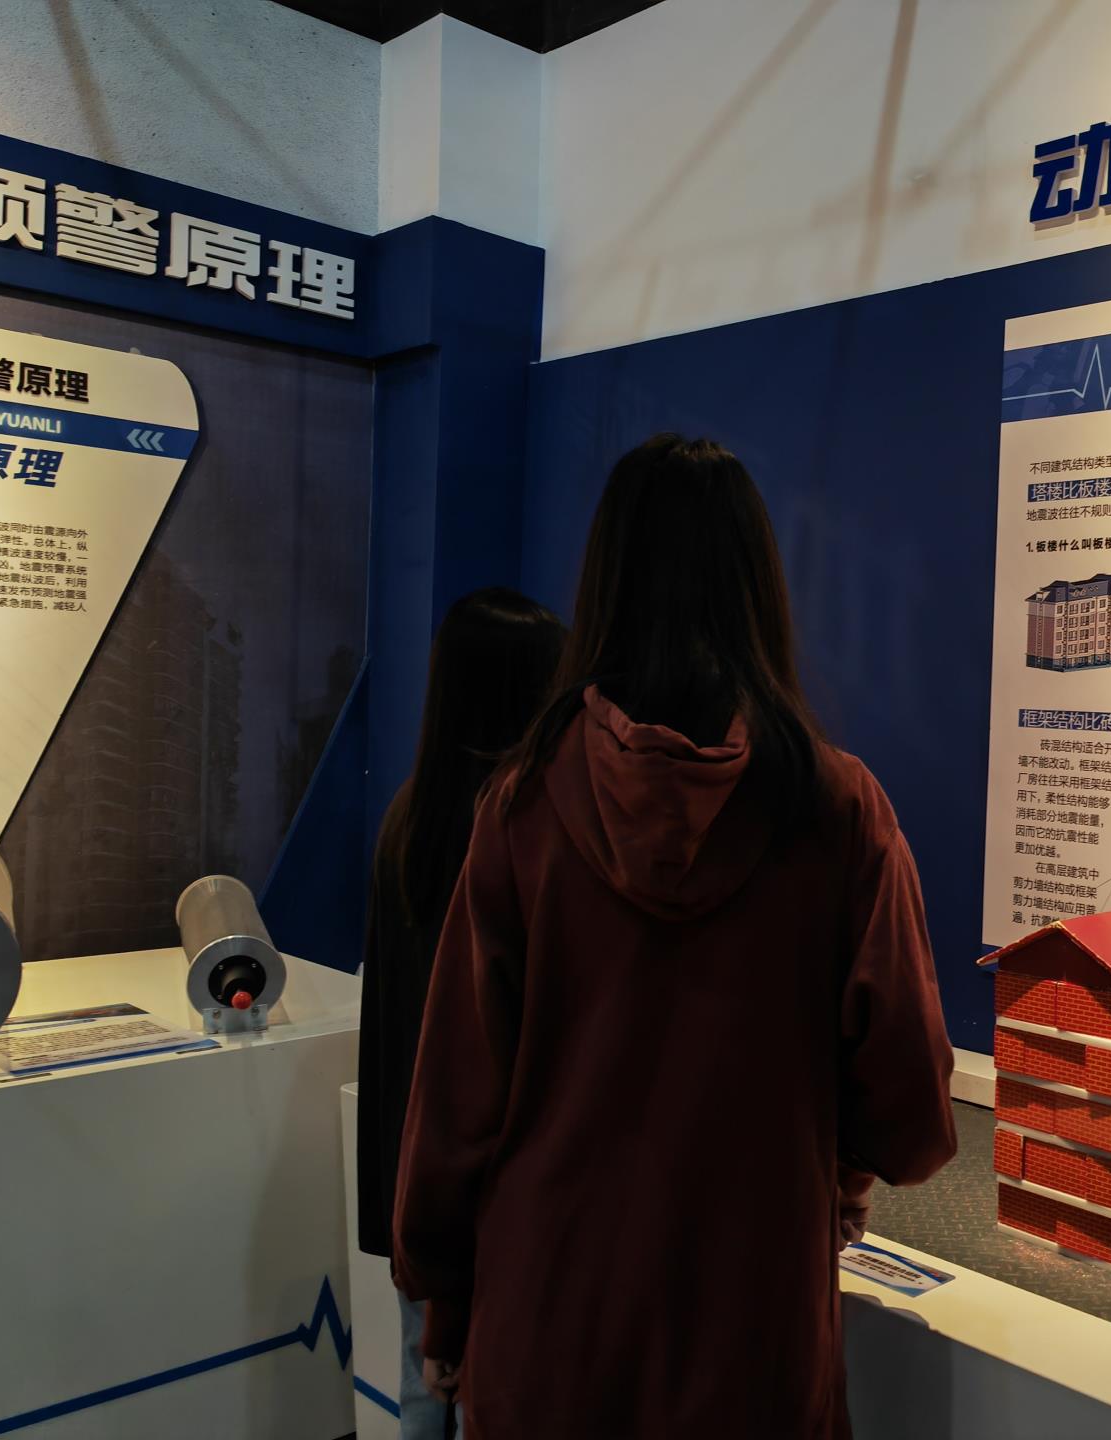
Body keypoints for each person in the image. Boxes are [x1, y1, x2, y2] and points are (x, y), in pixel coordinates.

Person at [393, 434, 956, 1438]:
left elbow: (456, 1099)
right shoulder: (839, 810)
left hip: (546, 1331)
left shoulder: (520, 806)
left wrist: (444, 1301)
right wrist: (840, 1176)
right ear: (759, 587)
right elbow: (910, 1109)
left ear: (604, 583)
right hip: (754, 1341)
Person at [358, 587, 564, 1440]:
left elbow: (391, 1030)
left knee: (422, 1390)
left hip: (419, 1179)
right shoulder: (526, 830)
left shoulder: (410, 818)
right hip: (504, 1184)